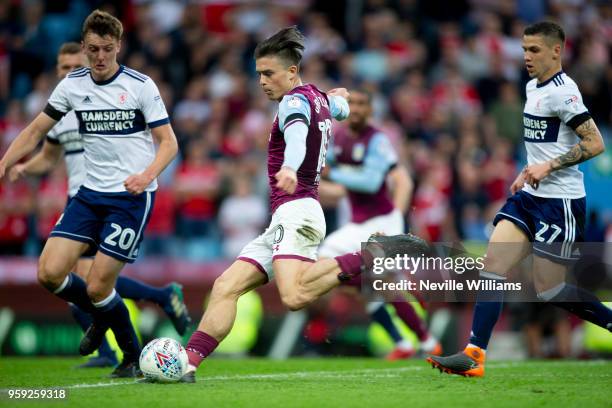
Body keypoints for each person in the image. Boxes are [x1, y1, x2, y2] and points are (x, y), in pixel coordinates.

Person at [181, 26, 427, 383]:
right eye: (259, 75)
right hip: (287, 215)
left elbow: (296, 135)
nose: (263, 81)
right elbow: (338, 107)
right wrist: (337, 98)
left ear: (292, 72)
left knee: (294, 295)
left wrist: (291, 168)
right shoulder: (318, 99)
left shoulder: (293, 102)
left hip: (298, 208)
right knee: (225, 287)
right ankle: (187, 364)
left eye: (269, 73)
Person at [0, 10, 179, 377]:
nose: (100, 57)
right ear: (84, 47)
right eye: (94, 49)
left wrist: (146, 175)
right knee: (49, 273)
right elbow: (35, 131)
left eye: (107, 50)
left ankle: (131, 357)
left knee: (98, 285)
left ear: (119, 47)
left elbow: (169, 144)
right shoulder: (72, 86)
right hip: (88, 195)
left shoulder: (141, 85)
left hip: (130, 199)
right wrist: (5, 162)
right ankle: (102, 315)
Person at [428, 21, 611, 377]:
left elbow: (595, 143)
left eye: (535, 50)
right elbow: (543, 142)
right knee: (492, 267)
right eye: (525, 49)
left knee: (551, 288)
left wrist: (549, 167)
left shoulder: (564, 92)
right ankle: (474, 354)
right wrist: (528, 170)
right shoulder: (531, 87)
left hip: (561, 203)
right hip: (529, 195)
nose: (526, 56)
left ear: (556, 51)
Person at [318, 88, 440, 360]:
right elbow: (338, 186)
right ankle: (406, 340)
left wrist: (396, 216)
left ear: (371, 110)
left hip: (383, 220)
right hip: (357, 223)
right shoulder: (338, 138)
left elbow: (373, 182)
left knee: (382, 284)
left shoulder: (377, 140)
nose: (357, 109)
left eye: (362, 104)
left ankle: (426, 342)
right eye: (352, 104)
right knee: (325, 265)